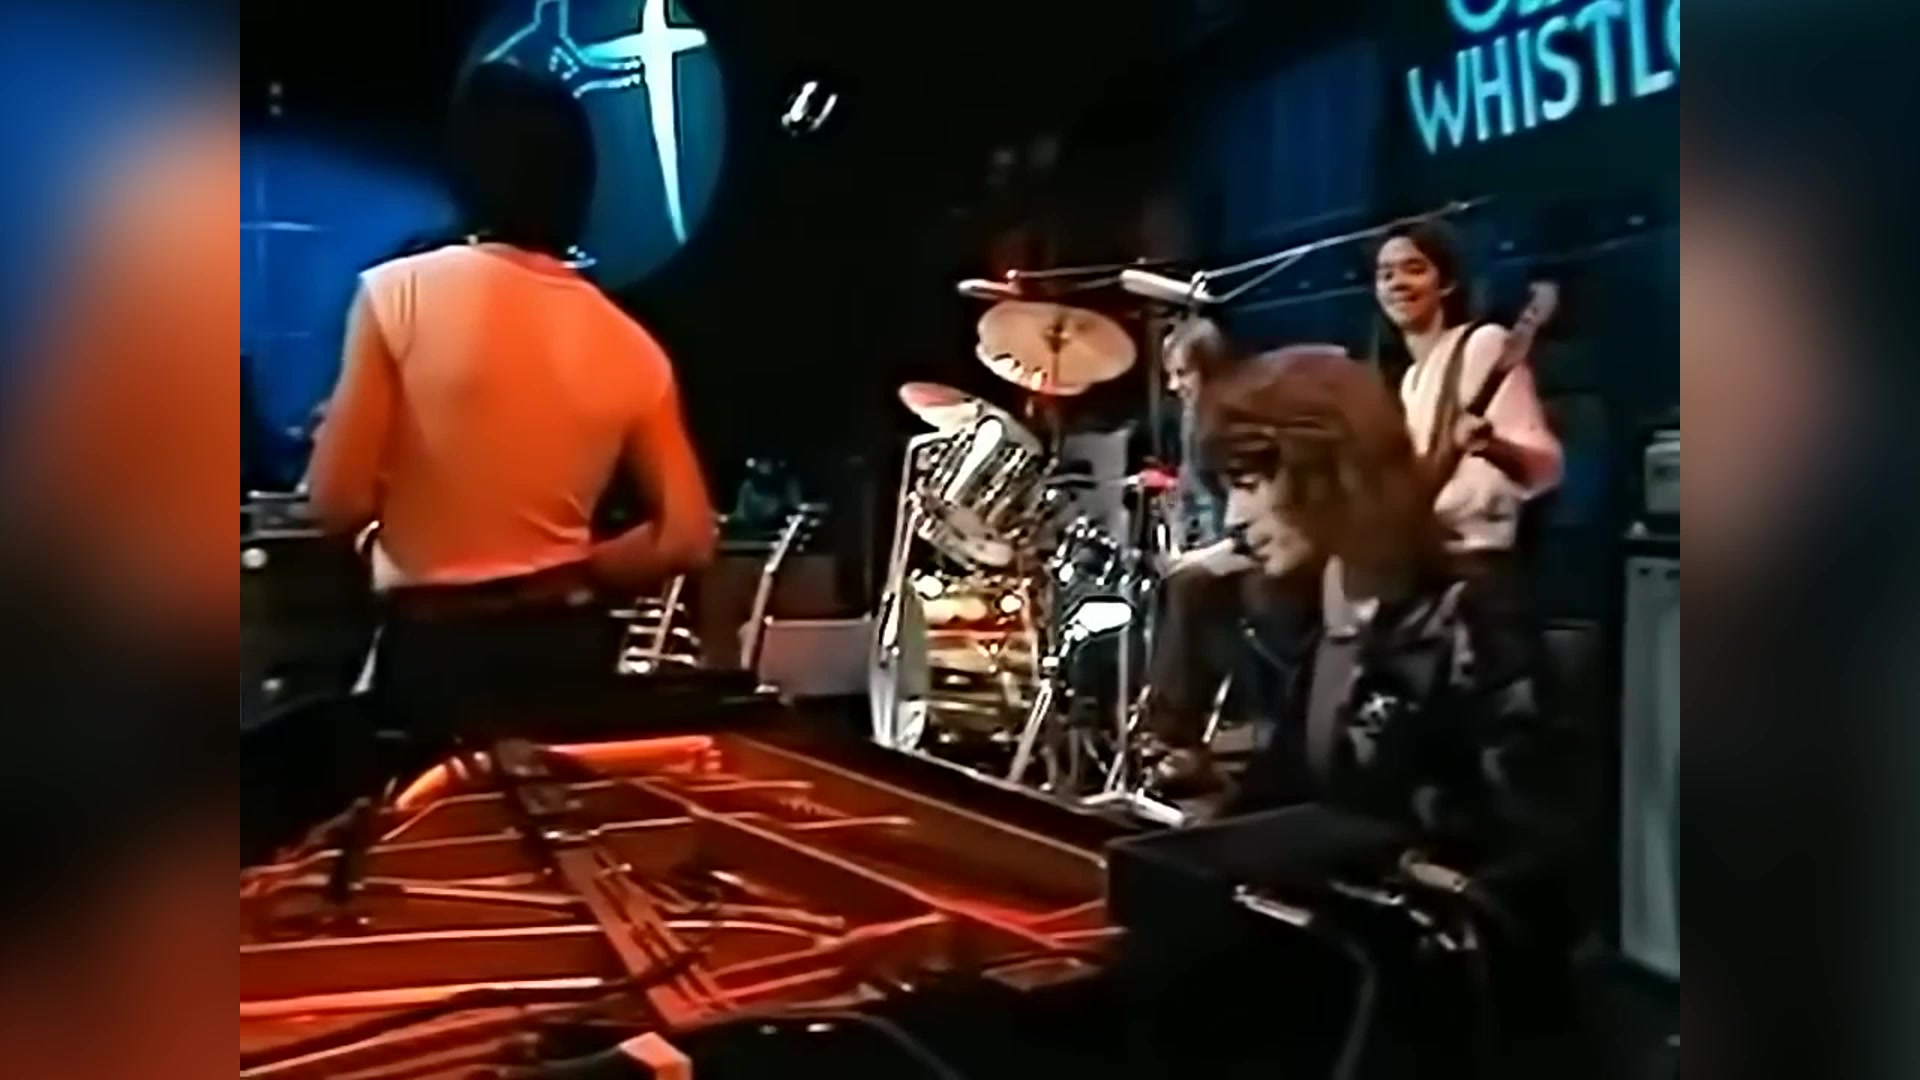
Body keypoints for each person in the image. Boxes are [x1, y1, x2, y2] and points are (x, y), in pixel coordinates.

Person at [306, 64, 716, 748]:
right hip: (568, 651)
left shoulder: (397, 293)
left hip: (438, 655)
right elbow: (687, 536)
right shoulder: (630, 341)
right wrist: (578, 568)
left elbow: (333, 503)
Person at [1374, 220, 1562, 617]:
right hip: (1431, 564)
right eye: (1386, 274)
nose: (1397, 283)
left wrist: (1491, 446)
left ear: (1445, 283)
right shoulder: (1411, 379)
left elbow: (1544, 468)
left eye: (1414, 269)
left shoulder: (1484, 343)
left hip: (1478, 570)